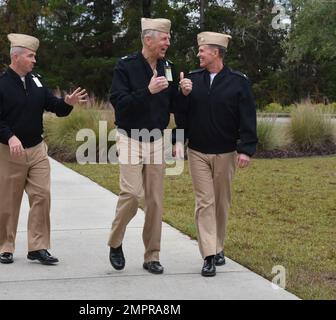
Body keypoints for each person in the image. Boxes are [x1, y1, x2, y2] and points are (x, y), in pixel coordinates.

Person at [0, 33, 87, 265]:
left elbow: (55, 107)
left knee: (42, 196)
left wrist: (67, 103)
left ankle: (38, 247)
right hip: (9, 153)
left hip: (37, 150)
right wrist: (9, 137)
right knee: (8, 202)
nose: (34, 60)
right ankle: (6, 247)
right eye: (31, 56)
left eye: (34, 56)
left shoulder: (37, 82)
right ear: (16, 56)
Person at [108, 18, 191, 274]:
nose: (168, 42)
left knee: (155, 200)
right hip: (130, 137)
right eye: (164, 38)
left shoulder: (168, 66)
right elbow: (119, 103)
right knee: (131, 194)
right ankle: (115, 241)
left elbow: (175, 107)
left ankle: (152, 255)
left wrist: (184, 93)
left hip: (157, 139)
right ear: (148, 39)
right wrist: (148, 90)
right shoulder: (125, 66)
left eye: (168, 38)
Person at [173, 32, 258, 277]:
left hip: (226, 152)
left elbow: (248, 116)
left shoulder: (238, 81)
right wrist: (183, 94)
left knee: (221, 202)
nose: (198, 54)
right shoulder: (191, 79)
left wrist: (246, 149)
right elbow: (181, 114)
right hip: (197, 151)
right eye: (199, 50)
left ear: (216, 53)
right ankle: (209, 255)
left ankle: (219, 246)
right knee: (205, 202)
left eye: (203, 50)